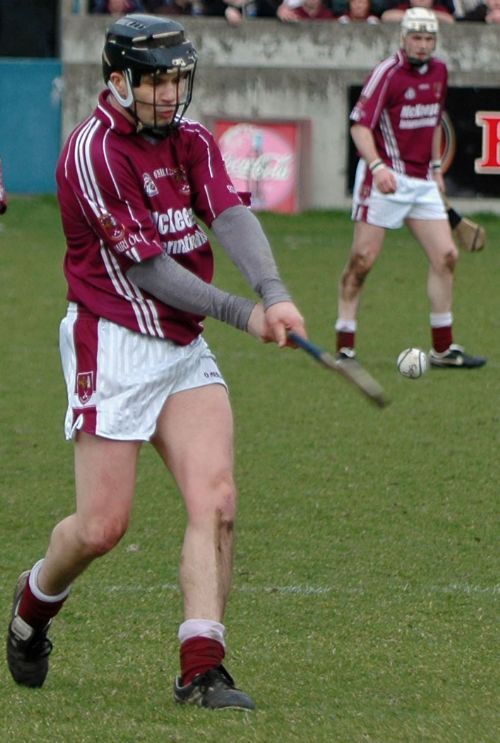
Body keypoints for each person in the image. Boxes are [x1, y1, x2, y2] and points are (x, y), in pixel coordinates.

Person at [6, 13, 306, 710]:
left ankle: (202, 666)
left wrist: (275, 292)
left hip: (181, 346)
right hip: (113, 341)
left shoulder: (190, 139)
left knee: (217, 499)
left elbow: (228, 214)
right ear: (118, 81)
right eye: (154, 82)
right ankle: (32, 604)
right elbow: (146, 268)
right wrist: (242, 312)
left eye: (177, 80)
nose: (169, 94)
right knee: (101, 528)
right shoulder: (91, 154)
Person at [334, 8, 486, 369]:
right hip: (384, 179)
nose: (423, 45)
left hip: (422, 182)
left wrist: (435, 168)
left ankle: (443, 350)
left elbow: (433, 122)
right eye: (416, 38)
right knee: (362, 261)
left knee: (446, 256)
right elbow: (359, 126)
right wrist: (377, 166)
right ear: (403, 38)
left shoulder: (440, 71)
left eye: (429, 39)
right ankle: (344, 346)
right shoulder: (387, 73)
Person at [382, 0, 455, 23]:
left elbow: (450, 20)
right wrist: (415, 13)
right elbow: (386, 17)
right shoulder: (404, 7)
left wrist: (423, 13)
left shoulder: (438, 8)